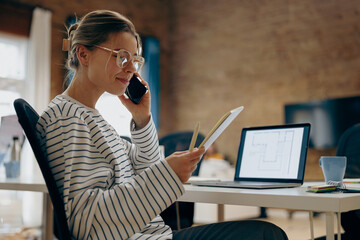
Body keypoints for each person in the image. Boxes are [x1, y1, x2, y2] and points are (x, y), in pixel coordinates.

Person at [36, 10, 288, 240]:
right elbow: (84, 224)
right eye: (122, 57)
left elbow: (144, 167)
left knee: (265, 232)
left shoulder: (93, 118)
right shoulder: (67, 119)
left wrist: (142, 119)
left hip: (152, 234)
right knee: (266, 234)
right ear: (83, 54)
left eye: (135, 59)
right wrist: (167, 174)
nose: (132, 68)